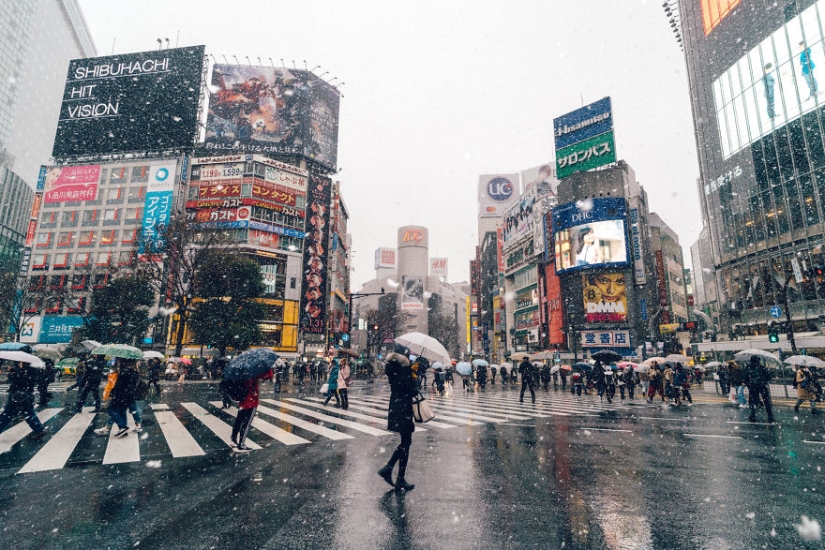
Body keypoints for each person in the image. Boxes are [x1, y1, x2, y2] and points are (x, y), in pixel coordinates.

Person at [377, 345, 417, 492]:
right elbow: (412, 390)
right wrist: (413, 374)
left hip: (396, 406)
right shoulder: (403, 369)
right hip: (403, 408)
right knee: (406, 442)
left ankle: (391, 470)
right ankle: (397, 476)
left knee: (406, 442)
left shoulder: (392, 366)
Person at [0, 362, 48, 440]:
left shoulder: (26, 371)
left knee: (6, 415)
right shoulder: (31, 369)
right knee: (28, 413)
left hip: (18, 396)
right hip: (25, 396)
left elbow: (18, 380)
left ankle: (40, 430)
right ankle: (39, 430)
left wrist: (12, 373)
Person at [231, 368, 274, 452]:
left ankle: (234, 436)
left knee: (239, 420)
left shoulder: (240, 373)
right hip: (251, 402)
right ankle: (241, 444)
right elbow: (269, 375)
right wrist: (268, 367)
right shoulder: (253, 372)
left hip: (242, 402)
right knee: (246, 424)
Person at [99, 360, 139, 438]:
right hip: (129, 396)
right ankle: (123, 430)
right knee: (122, 411)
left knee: (111, 410)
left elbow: (119, 386)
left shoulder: (123, 373)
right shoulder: (134, 372)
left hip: (121, 396)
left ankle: (123, 427)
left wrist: (112, 393)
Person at [743, 355, 775, 423]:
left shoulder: (748, 368)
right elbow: (768, 377)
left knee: (753, 401)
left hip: (752, 387)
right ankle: (770, 415)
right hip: (762, 386)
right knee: (766, 401)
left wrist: (749, 385)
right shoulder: (762, 368)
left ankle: (752, 415)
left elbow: (745, 378)